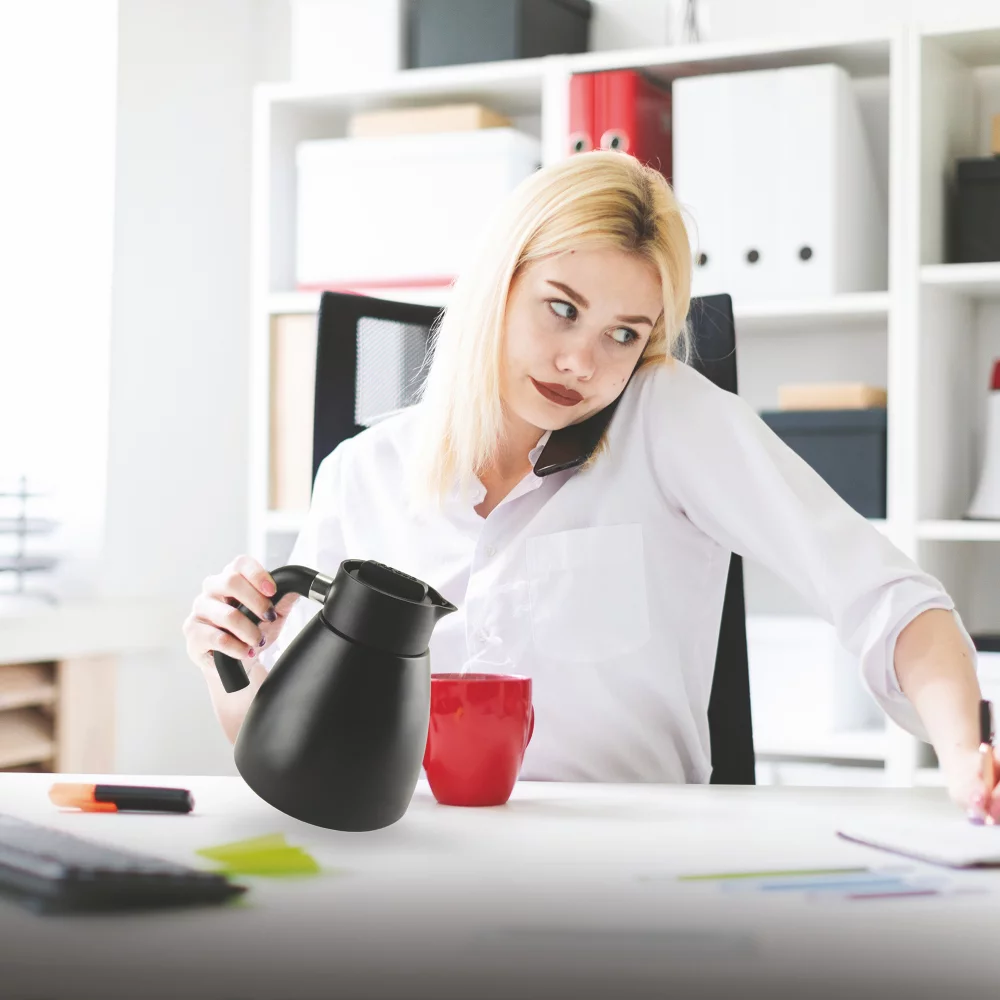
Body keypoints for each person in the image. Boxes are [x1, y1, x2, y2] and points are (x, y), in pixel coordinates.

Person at [183, 150, 994, 821]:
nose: (584, 363)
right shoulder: (363, 474)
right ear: (497, 285)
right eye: (561, 309)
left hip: (630, 871)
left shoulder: (665, 418)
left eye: (623, 335)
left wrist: (965, 757)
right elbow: (292, 742)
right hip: (419, 868)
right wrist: (232, 659)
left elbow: (887, 596)